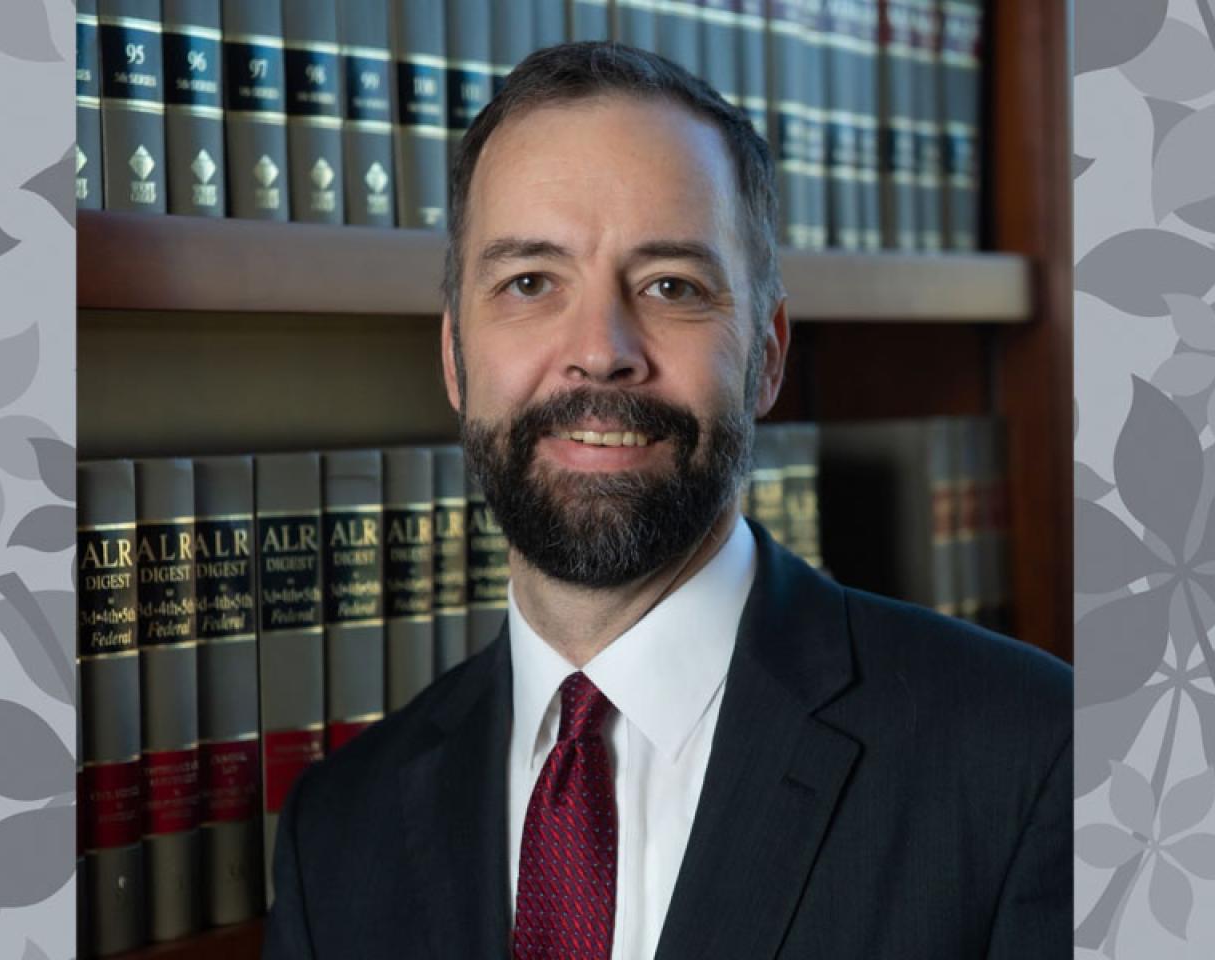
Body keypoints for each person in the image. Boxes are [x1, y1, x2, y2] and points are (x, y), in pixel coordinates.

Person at [263, 42, 1070, 960]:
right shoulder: (338, 831)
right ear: (455, 357)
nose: (601, 349)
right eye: (530, 283)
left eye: (670, 287)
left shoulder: (1033, 760)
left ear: (766, 355)